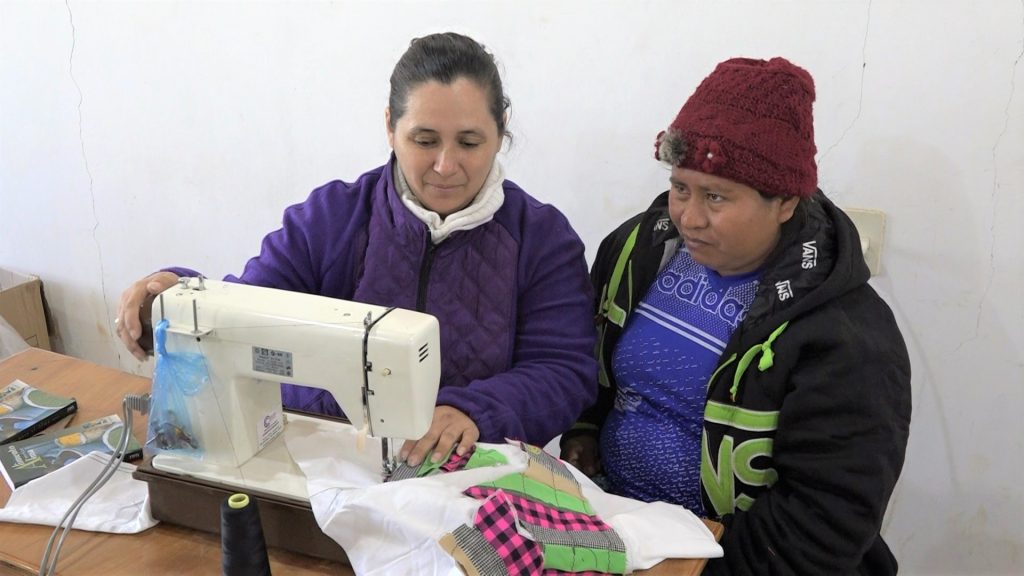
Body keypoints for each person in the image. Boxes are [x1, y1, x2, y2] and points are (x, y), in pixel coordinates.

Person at [115, 32, 597, 469]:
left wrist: (473, 410)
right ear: (390, 126)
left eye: (469, 142)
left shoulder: (543, 239)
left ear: (501, 130)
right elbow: (246, 311)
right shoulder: (332, 217)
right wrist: (177, 293)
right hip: (330, 454)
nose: (446, 165)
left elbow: (563, 370)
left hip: (473, 471)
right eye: (424, 140)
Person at [561, 57, 911, 574]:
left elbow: (823, 524)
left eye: (716, 197)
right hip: (616, 528)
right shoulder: (640, 248)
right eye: (681, 187)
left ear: (786, 201)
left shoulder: (848, 335)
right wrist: (584, 431)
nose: (688, 216)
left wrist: (689, 567)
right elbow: (593, 363)